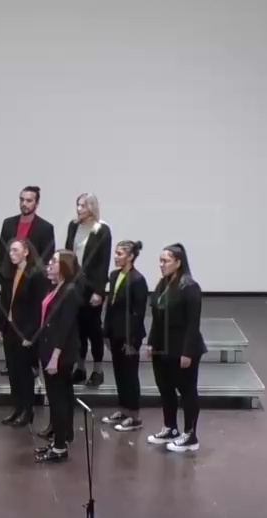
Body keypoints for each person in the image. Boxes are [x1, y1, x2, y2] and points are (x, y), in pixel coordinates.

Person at [144, 243, 205, 453]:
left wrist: (187, 352)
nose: (161, 265)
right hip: (163, 347)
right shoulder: (163, 284)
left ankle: (190, 435)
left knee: (187, 390)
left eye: (166, 261)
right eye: (160, 261)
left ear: (178, 262)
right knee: (165, 388)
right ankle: (170, 427)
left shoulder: (189, 287)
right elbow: (156, 318)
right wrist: (151, 342)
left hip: (183, 348)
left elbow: (192, 323)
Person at [0, 239, 48, 426]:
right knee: (13, 371)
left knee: (25, 373)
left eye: (15, 250)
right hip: (10, 328)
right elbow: (5, 302)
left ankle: (27, 410)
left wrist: (30, 335)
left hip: (25, 331)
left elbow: (37, 308)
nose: (11, 254)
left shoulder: (36, 275)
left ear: (26, 252)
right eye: (10, 251)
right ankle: (17, 408)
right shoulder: (10, 273)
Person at [35, 250, 82, 464]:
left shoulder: (70, 290)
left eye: (54, 261)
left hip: (60, 354)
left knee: (59, 399)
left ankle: (61, 446)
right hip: (47, 348)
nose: (50, 264)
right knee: (55, 399)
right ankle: (58, 441)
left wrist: (55, 356)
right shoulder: (57, 287)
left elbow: (65, 327)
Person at [64, 193, 112, 386]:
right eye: (77, 205)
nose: (79, 209)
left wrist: (99, 291)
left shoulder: (101, 229)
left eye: (83, 205)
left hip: (92, 287)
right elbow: (68, 254)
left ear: (91, 207)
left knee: (93, 329)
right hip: (74, 286)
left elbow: (103, 262)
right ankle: (80, 367)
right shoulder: (73, 226)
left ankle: (98, 370)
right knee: (77, 330)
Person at [101, 240, 148, 432]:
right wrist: (106, 332)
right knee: (119, 373)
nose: (115, 256)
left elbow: (138, 313)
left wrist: (130, 339)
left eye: (120, 254)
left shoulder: (138, 280)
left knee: (130, 374)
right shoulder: (114, 275)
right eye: (116, 253)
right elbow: (109, 306)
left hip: (130, 336)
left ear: (130, 257)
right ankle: (123, 409)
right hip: (115, 333)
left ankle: (135, 416)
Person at [0, 185, 57, 286]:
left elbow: (46, 258)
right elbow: (1, 252)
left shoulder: (45, 228)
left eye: (29, 201)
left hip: (31, 282)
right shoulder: (8, 223)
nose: (24, 204)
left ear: (36, 203)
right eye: (22, 200)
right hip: (8, 278)